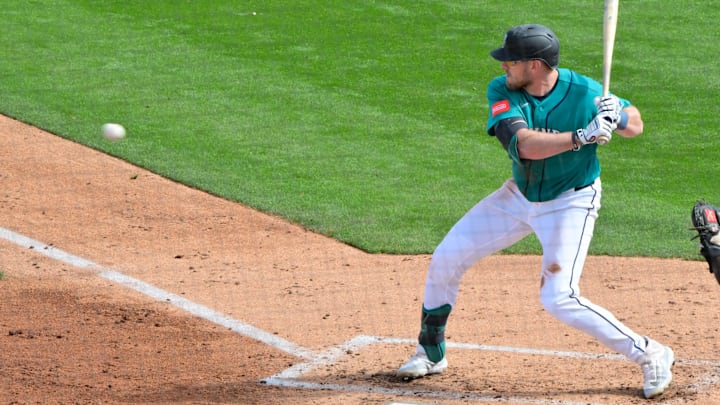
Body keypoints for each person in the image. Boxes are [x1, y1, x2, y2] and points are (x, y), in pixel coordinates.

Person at [396, 23, 675, 399]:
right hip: (519, 195)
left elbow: (636, 123)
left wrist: (617, 117)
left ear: (536, 66)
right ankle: (430, 354)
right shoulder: (502, 90)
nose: (503, 67)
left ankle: (651, 353)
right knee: (446, 257)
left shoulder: (587, 91)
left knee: (559, 297)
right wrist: (582, 136)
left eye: (510, 61)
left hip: (570, 202)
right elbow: (521, 144)